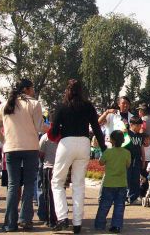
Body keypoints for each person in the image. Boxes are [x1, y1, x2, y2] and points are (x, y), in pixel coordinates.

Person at [50, 79, 107, 234]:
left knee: (57, 182)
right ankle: (77, 222)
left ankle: (62, 217)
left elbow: (54, 132)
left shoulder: (62, 107)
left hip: (66, 143)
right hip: (84, 143)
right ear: (81, 91)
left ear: (67, 90)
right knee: (78, 184)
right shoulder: (88, 106)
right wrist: (104, 149)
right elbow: (96, 129)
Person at [0, 78, 44, 232]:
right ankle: (26, 220)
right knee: (28, 185)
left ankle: (10, 223)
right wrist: (53, 128)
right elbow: (40, 126)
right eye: (32, 88)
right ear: (27, 89)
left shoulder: (5, 104)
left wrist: (5, 140)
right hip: (30, 148)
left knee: (13, 186)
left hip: (11, 148)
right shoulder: (34, 104)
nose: (33, 91)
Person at [94, 130, 131, 233]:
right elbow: (128, 165)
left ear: (111, 140)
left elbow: (101, 162)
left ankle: (99, 224)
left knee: (104, 205)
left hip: (109, 183)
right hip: (122, 183)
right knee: (119, 206)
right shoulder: (127, 153)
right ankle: (116, 226)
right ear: (123, 140)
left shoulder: (108, 152)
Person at [38, 131, 58, 228]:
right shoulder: (64, 136)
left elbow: (41, 153)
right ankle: (59, 216)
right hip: (61, 168)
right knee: (59, 194)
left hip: (49, 167)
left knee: (49, 195)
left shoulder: (45, 137)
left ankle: (51, 219)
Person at [124, 116, 145, 205]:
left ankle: (134, 197)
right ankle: (124, 198)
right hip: (127, 160)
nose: (140, 127)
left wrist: (143, 159)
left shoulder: (140, 136)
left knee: (135, 179)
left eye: (141, 125)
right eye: (138, 125)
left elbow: (141, 147)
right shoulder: (127, 133)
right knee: (126, 179)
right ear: (132, 125)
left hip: (137, 160)